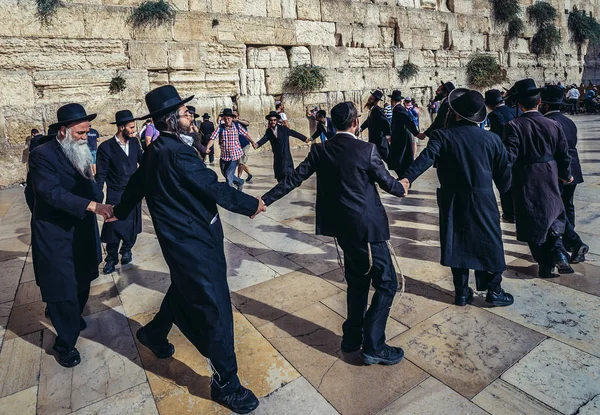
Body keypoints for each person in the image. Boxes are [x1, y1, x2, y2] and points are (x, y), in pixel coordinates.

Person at [112, 85, 265, 414]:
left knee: (183, 289)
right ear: (170, 120)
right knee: (217, 312)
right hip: (196, 245)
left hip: (178, 245)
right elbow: (212, 186)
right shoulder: (178, 153)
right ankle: (226, 385)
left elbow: (136, 186)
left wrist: (119, 212)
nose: (191, 118)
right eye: (185, 114)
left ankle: (153, 334)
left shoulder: (154, 151)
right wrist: (251, 203)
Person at [262, 101, 409, 365]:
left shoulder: (320, 150)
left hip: (342, 229)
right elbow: (392, 187)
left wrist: (264, 200)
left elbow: (294, 179)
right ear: (355, 123)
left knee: (358, 280)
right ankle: (374, 345)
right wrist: (403, 185)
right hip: (368, 230)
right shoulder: (367, 150)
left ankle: (352, 337)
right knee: (387, 283)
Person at [400, 89, 514, 307]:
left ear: (454, 113)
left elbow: (426, 158)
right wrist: (506, 190)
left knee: (457, 242)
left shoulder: (442, 136)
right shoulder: (492, 140)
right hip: (483, 198)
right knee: (489, 242)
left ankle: (461, 292)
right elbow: (504, 176)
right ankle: (494, 290)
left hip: (452, 198)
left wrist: (407, 178)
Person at [28, 103, 113, 368]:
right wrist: (92, 206)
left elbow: (90, 186)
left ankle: (70, 315)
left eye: (88, 132)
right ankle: (65, 343)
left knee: (84, 277)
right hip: (55, 234)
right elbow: (50, 192)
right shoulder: (41, 155)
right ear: (63, 131)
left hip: (82, 230)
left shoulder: (81, 151)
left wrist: (98, 196)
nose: (86, 137)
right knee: (61, 287)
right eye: (80, 133)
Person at [503, 79, 574, 278]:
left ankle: (545, 264)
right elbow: (563, 153)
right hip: (550, 173)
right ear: (539, 101)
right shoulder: (553, 124)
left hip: (526, 176)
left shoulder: (513, 125)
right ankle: (558, 251)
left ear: (519, 104)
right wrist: (566, 175)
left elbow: (509, 156)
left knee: (532, 217)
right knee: (553, 212)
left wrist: (502, 180)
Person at [540, 86, 589, 263]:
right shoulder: (569, 121)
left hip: (558, 171)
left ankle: (568, 241)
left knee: (554, 209)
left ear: (544, 105)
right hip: (573, 169)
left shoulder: (547, 123)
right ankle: (570, 239)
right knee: (568, 205)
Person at [95, 110, 144, 275]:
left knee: (132, 226)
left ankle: (127, 250)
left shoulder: (135, 143)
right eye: (131, 127)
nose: (133, 130)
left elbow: (143, 163)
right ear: (121, 127)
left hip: (134, 192)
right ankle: (110, 258)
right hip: (116, 194)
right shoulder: (106, 147)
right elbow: (101, 174)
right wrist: (97, 198)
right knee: (113, 227)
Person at [485, 89, 517, 223]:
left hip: (505, 154)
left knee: (505, 185)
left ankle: (509, 213)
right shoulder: (515, 110)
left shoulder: (494, 115)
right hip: (518, 151)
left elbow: (496, 136)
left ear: (489, 105)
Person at [207, 108, 255, 190]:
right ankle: (239, 181)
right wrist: (207, 147)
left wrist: (253, 142)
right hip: (224, 156)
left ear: (232, 118)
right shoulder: (220, 128)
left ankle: (231, 196)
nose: (227, 120)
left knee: (229, 178)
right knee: (225, 174)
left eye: (228, 118)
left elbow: (245, 134)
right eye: (225, 118)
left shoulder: (237, 126)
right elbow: (212, 138)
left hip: (234, 156)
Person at [256, 111, 308, 182]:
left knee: (287, 174)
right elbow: (264, 139)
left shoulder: (283, 129)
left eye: (274, 120)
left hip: (286, 155)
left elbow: (294, 133)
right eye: (271, 120)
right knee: (279, 176)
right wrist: (257, 144)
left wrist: (304, 138)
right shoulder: (269, 131)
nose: (273, 122)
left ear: (277, 120)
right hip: (277, 157)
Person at [387, 90, 422, 178]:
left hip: (401, 138)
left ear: (392, 100)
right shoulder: (398, 108)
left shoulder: (398, 109)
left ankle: (404, 177)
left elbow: (407, 120)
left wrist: (416, 133)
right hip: (399, 137)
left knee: (400, 159)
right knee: (400, 159)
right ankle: (403, 177)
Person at [359, 90, 391, 161]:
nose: (369, 98)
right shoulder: (372, 110)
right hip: (373, 140)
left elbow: (385, 122)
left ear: (375, 100)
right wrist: (360, 128)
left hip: (380, 141)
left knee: (385, 160)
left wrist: (388, 135)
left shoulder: (378, 110)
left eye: (372, 98)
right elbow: (368, 121)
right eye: (371, 97)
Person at [233, 110, 257, 183]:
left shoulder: (241, 122)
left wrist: (238, 120)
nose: (233, 117)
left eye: (235, 115)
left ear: (238, 115)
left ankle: (238, 178)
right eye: (232, 115)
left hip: (245, 144)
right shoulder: (231, 123)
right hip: (237, 146)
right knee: (241, 162)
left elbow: (247, 123)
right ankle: (249, 174)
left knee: (241, 163)